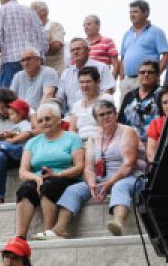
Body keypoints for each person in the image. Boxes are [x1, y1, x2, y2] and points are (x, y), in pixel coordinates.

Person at [57, 99, 144, 235]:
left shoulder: (127, 131)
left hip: (130, 177)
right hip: (101, 180)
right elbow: (89, 168)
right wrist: (92, 185)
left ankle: (118, 222)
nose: (106, 117)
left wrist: (109, 183)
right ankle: (60, 227)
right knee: (74, 189)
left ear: (115, 114)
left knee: (119, 186)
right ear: (96, 119)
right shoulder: (94, 138)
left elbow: (129, 164)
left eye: (109, 113)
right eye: (101, 115)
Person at [13, 102, 87, 241]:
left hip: (65, 176)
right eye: (40, 120)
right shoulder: (32, 142)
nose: (44, 123)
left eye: (48, 119)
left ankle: (48, 231)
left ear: (58, 119)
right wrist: (36, 178)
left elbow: (79, 167)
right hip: (39, 178)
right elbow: (23, 171)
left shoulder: (72, 138)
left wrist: (57, 174)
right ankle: (20, 236)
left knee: (49, 185)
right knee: (25, 189)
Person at [0, 0, 48, 88]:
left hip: (11, 60)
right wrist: (41, 57)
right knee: (31, 96)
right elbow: (43, 38)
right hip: (35, 60)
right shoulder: (31, 11)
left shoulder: (1, 11)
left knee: (7, 98)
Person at [118, 0, 168, 79]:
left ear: (146, 13)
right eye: (130, 12)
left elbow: (167, 55)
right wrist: (121, 79)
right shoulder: (127, 34)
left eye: (135, 12)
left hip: (148, 79)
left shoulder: (156, 32)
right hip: (128, 81)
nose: (132, 15)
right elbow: (122, 58)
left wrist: (156, 74)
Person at [65, 65, 107, 148]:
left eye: (88, 81)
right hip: (79, 144)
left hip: (100, 142)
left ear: (98, 82)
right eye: (81, 82)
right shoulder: (76, 105)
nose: (84, 85)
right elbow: (72, 130)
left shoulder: (105, 99)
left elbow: (108, 126)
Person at [121, 59, 164, 134]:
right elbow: (121, 121)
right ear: (138, 75)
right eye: (142, 72)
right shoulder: (129, 95)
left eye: (150, 72)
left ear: (157, 75)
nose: (146, 74)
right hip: (130, 139)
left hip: (155, 139)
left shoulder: (163, 94)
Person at [82, 14, 120, 80]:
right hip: (83, 83)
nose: (86, 27)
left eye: (88, 24)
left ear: (98, 26)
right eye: (84, 25)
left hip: (102, 83)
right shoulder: (81, 44)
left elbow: (116, 64)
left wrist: (111, 83)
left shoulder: (107, 41)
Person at [32, 0, 68, 71]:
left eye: (32, 11)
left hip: (55, 71)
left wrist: (35, 48)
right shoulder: (32, 30)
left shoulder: (55, 26)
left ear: (43, 12)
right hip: (39, 72)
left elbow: (56, 46)